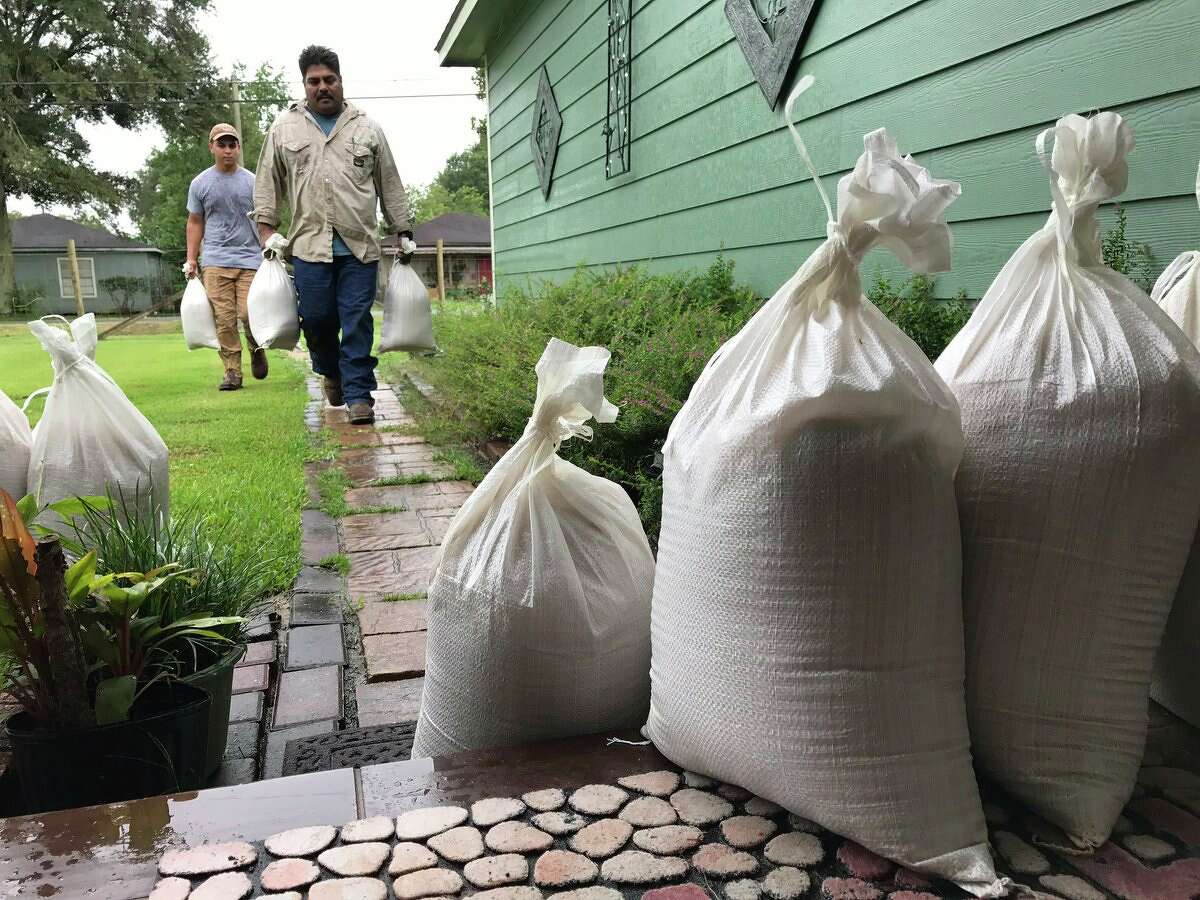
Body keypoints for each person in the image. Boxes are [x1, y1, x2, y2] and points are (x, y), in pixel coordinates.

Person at [252, 44, 414, 425]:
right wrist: (267, 230)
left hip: (359, 247)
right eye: (314, 81)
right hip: (308, 246)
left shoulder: (367, 128)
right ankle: (330, 372)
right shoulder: (284, 128)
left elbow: (389, 182)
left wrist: (402, 229)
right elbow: (266, 182)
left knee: (357, 319)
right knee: (318, 319)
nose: (322, 87)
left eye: (329, 80)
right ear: (304, 85)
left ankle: (359, 395)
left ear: (341, 82)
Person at [185, 122, 268, 391]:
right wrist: (192, 258)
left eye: (232, 144)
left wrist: (268, 247)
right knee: (223, 318)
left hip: (250, 258)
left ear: (238, 148)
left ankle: (256, 348)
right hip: (215, 259)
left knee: (248, 313)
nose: (228, 150)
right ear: (212, 147)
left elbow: (265, 219)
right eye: (222, 144)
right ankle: (232, 371)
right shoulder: (201, 183)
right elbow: (195, 221)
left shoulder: (253, 182)